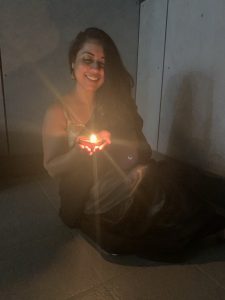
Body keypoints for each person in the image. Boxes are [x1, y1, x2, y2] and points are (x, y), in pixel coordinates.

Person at [42, 27, 225, 262]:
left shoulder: (114, 104)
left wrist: (124, 144)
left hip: (123, 173)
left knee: (171, 174)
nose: (96, 69)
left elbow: (141, 151)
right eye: (87, 60)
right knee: (156, 184)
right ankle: (207, 226)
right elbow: (52, 166)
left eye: (103, 63)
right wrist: (80, 151)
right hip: (87, 191)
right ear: (72, 64)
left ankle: (203, 220)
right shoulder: (58, 111)